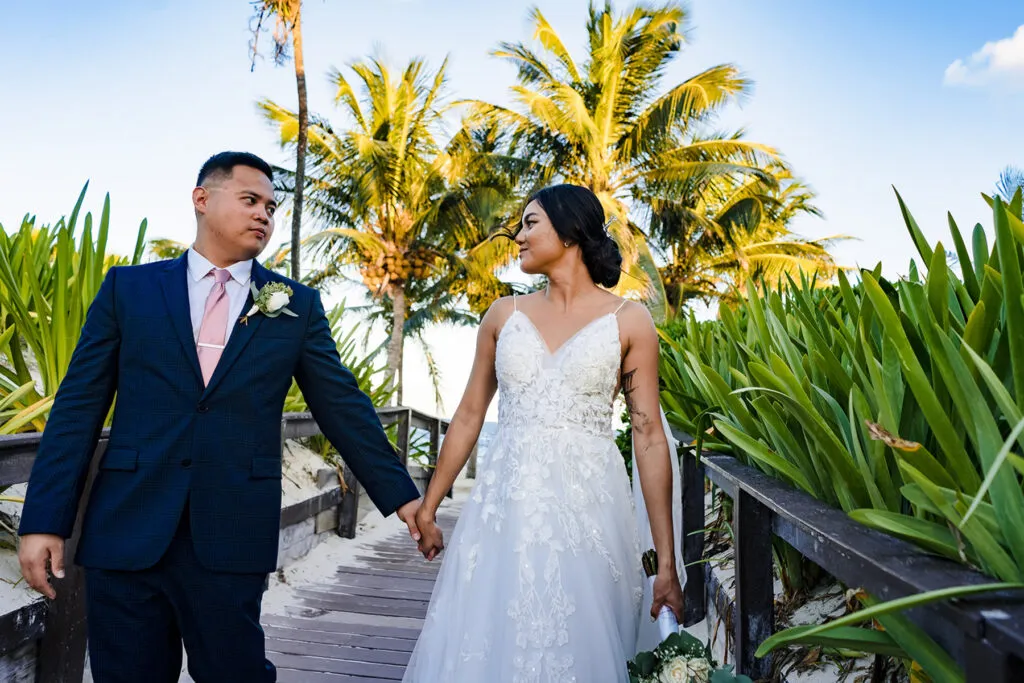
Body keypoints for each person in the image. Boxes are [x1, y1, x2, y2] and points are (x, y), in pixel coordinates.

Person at [16, 151, 424, 683]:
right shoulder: (129, 290)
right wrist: (44, 521)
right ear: (202, 200)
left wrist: (403, 494)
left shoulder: (295, 305)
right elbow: (77, 408)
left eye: (272, 207)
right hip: (128, 528)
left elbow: (341, 405)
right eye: (251, 200)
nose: (265, 215)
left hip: (231, 530)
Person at [404, 183, 685, 682]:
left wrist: (666, 562)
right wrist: (429, 506)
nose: (518, 236)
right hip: (503, 516)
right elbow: (470, 415)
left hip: (591, 514)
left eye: (530, 223)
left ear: (570, 230)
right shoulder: (502, 315)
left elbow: (648, 436)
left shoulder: (630, 320)